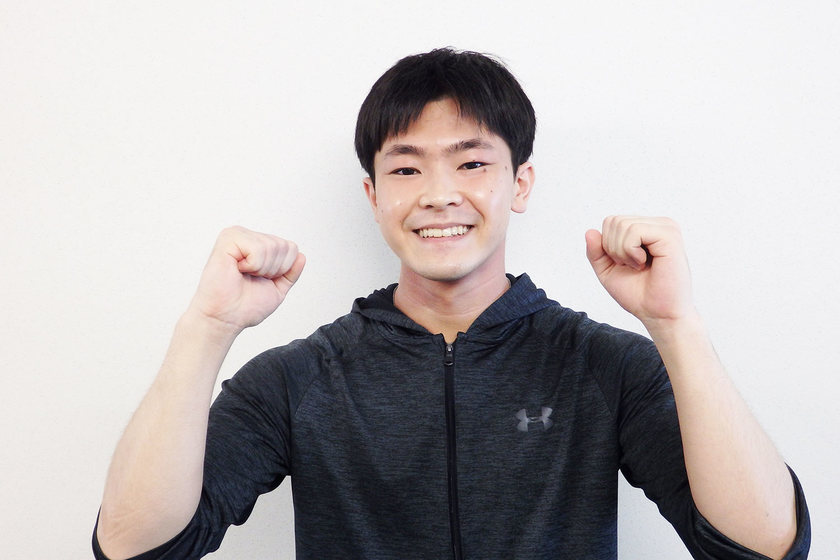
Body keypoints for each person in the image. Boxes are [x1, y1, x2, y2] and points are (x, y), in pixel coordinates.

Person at [93, 48, 810, 560]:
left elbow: (764, 546)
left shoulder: (603, 365)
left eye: (471, 163)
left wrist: (676, 327)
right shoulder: (301, 378)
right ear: (374, 195)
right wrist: (206, 328)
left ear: (519, 184)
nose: (439, 195)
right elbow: (134, 547)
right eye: (406, 168)